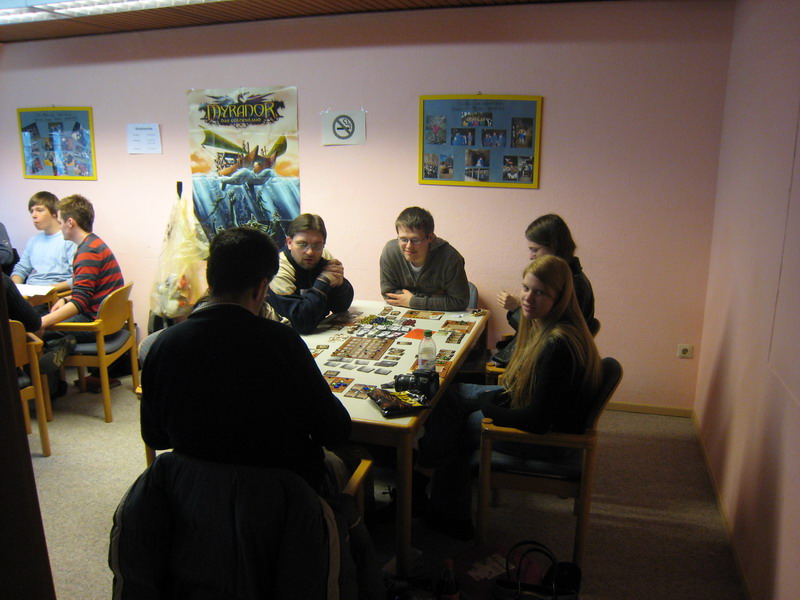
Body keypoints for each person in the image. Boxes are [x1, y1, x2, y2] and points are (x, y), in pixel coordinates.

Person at [141, 226, 352, 493]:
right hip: (281, 495)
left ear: (210, 279)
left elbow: (155, 437)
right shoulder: (282, 343)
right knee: (348, 459)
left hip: (196, 492)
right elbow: (334, 430)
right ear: (262, 287)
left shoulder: (164, 344)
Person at [414, 255, 602, 539]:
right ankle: (422, 479)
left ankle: (449, 514)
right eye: (526, 288)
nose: (528, 298)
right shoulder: (553, 325)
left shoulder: (558, 345)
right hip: (533, 403)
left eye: (540, 292)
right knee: (449, 395)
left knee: (459, 424)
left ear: (560, 297)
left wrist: (488, 407)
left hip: (549, 439)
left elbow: (537, 421)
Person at [493, 214, 595, 366]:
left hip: (539, 361)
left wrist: (516, 308)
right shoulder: (568, 277)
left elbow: (543, 334)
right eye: (526, 288)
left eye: (534, 250)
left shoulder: (573, 286)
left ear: (554, 247)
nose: (530, 256)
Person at [40, 195, 124, 341]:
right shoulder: (94, 242)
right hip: (108, 319)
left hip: (95, 324)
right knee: (47, 320)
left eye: (60, 222)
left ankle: (61, 345)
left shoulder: (88, 252)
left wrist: (41, 323)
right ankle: (63, 344)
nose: (59, 227)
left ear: (70, 222)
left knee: (34, 332)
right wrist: (65, 299)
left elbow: (80, 302)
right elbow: (88, 292)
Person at [268, 213, 354, 334]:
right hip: (279, 334)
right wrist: (323, 281)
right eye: (302, 244)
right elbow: (302, 323)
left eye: (317, 245)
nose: (310, 252)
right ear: (289, 243)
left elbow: (340, 307)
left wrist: (340, 285)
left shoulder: (324, 256)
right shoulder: (278, 269)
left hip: (315, 330)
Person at [379, 206, 470, 310]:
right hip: (404, 312)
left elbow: (460, 301)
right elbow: (388, 294)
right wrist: (435, 298)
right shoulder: (390, 252)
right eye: (403, 239)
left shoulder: (450, 258)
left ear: (430, 237)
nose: (409, 246)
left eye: (415, 240)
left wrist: (413, 301)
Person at [11, 191, 76, 294]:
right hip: (30, 291)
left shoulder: (69, 240)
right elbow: (21, 269)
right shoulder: (33, 240)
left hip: (54, 293)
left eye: (39, 210)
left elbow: (77, 278)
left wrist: (47, 290)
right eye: (31, 211)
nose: (34, 215)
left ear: (54, 213)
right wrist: (15, 290)